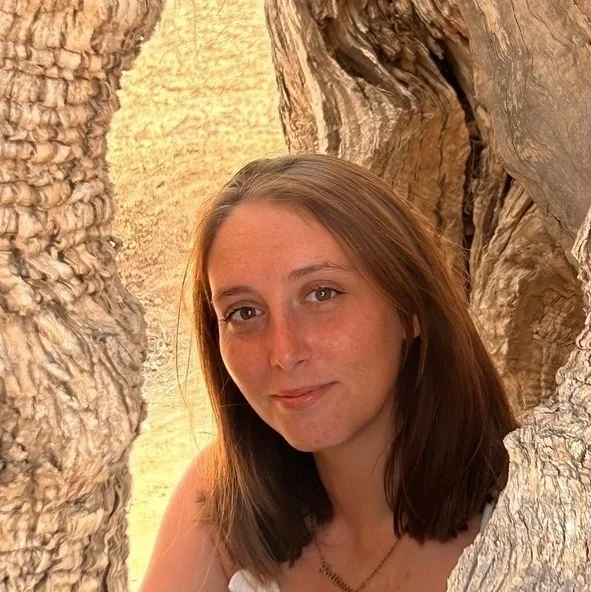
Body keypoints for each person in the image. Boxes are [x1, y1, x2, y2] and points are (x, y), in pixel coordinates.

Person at [138, 153, 518, 592]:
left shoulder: (540, 507)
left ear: (410, 308)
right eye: (244, 312)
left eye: (322, 294)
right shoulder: (218, 502)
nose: (284, 353)